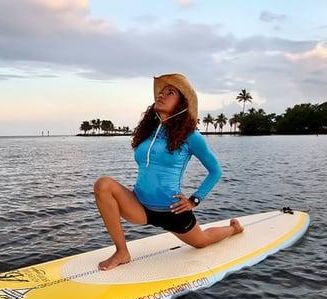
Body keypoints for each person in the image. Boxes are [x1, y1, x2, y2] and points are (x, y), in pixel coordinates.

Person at [94, 73, 244, 271]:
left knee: (202, 241)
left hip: (172, 211)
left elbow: (215, 171)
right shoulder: (148, 132)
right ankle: (122, 252)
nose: (161, 95)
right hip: (140, 207)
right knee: (103, 185)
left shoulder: (191, 136)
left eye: (170, 93)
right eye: (160, 92)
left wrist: (194, 200)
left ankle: (233, 229)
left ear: (181, 103)